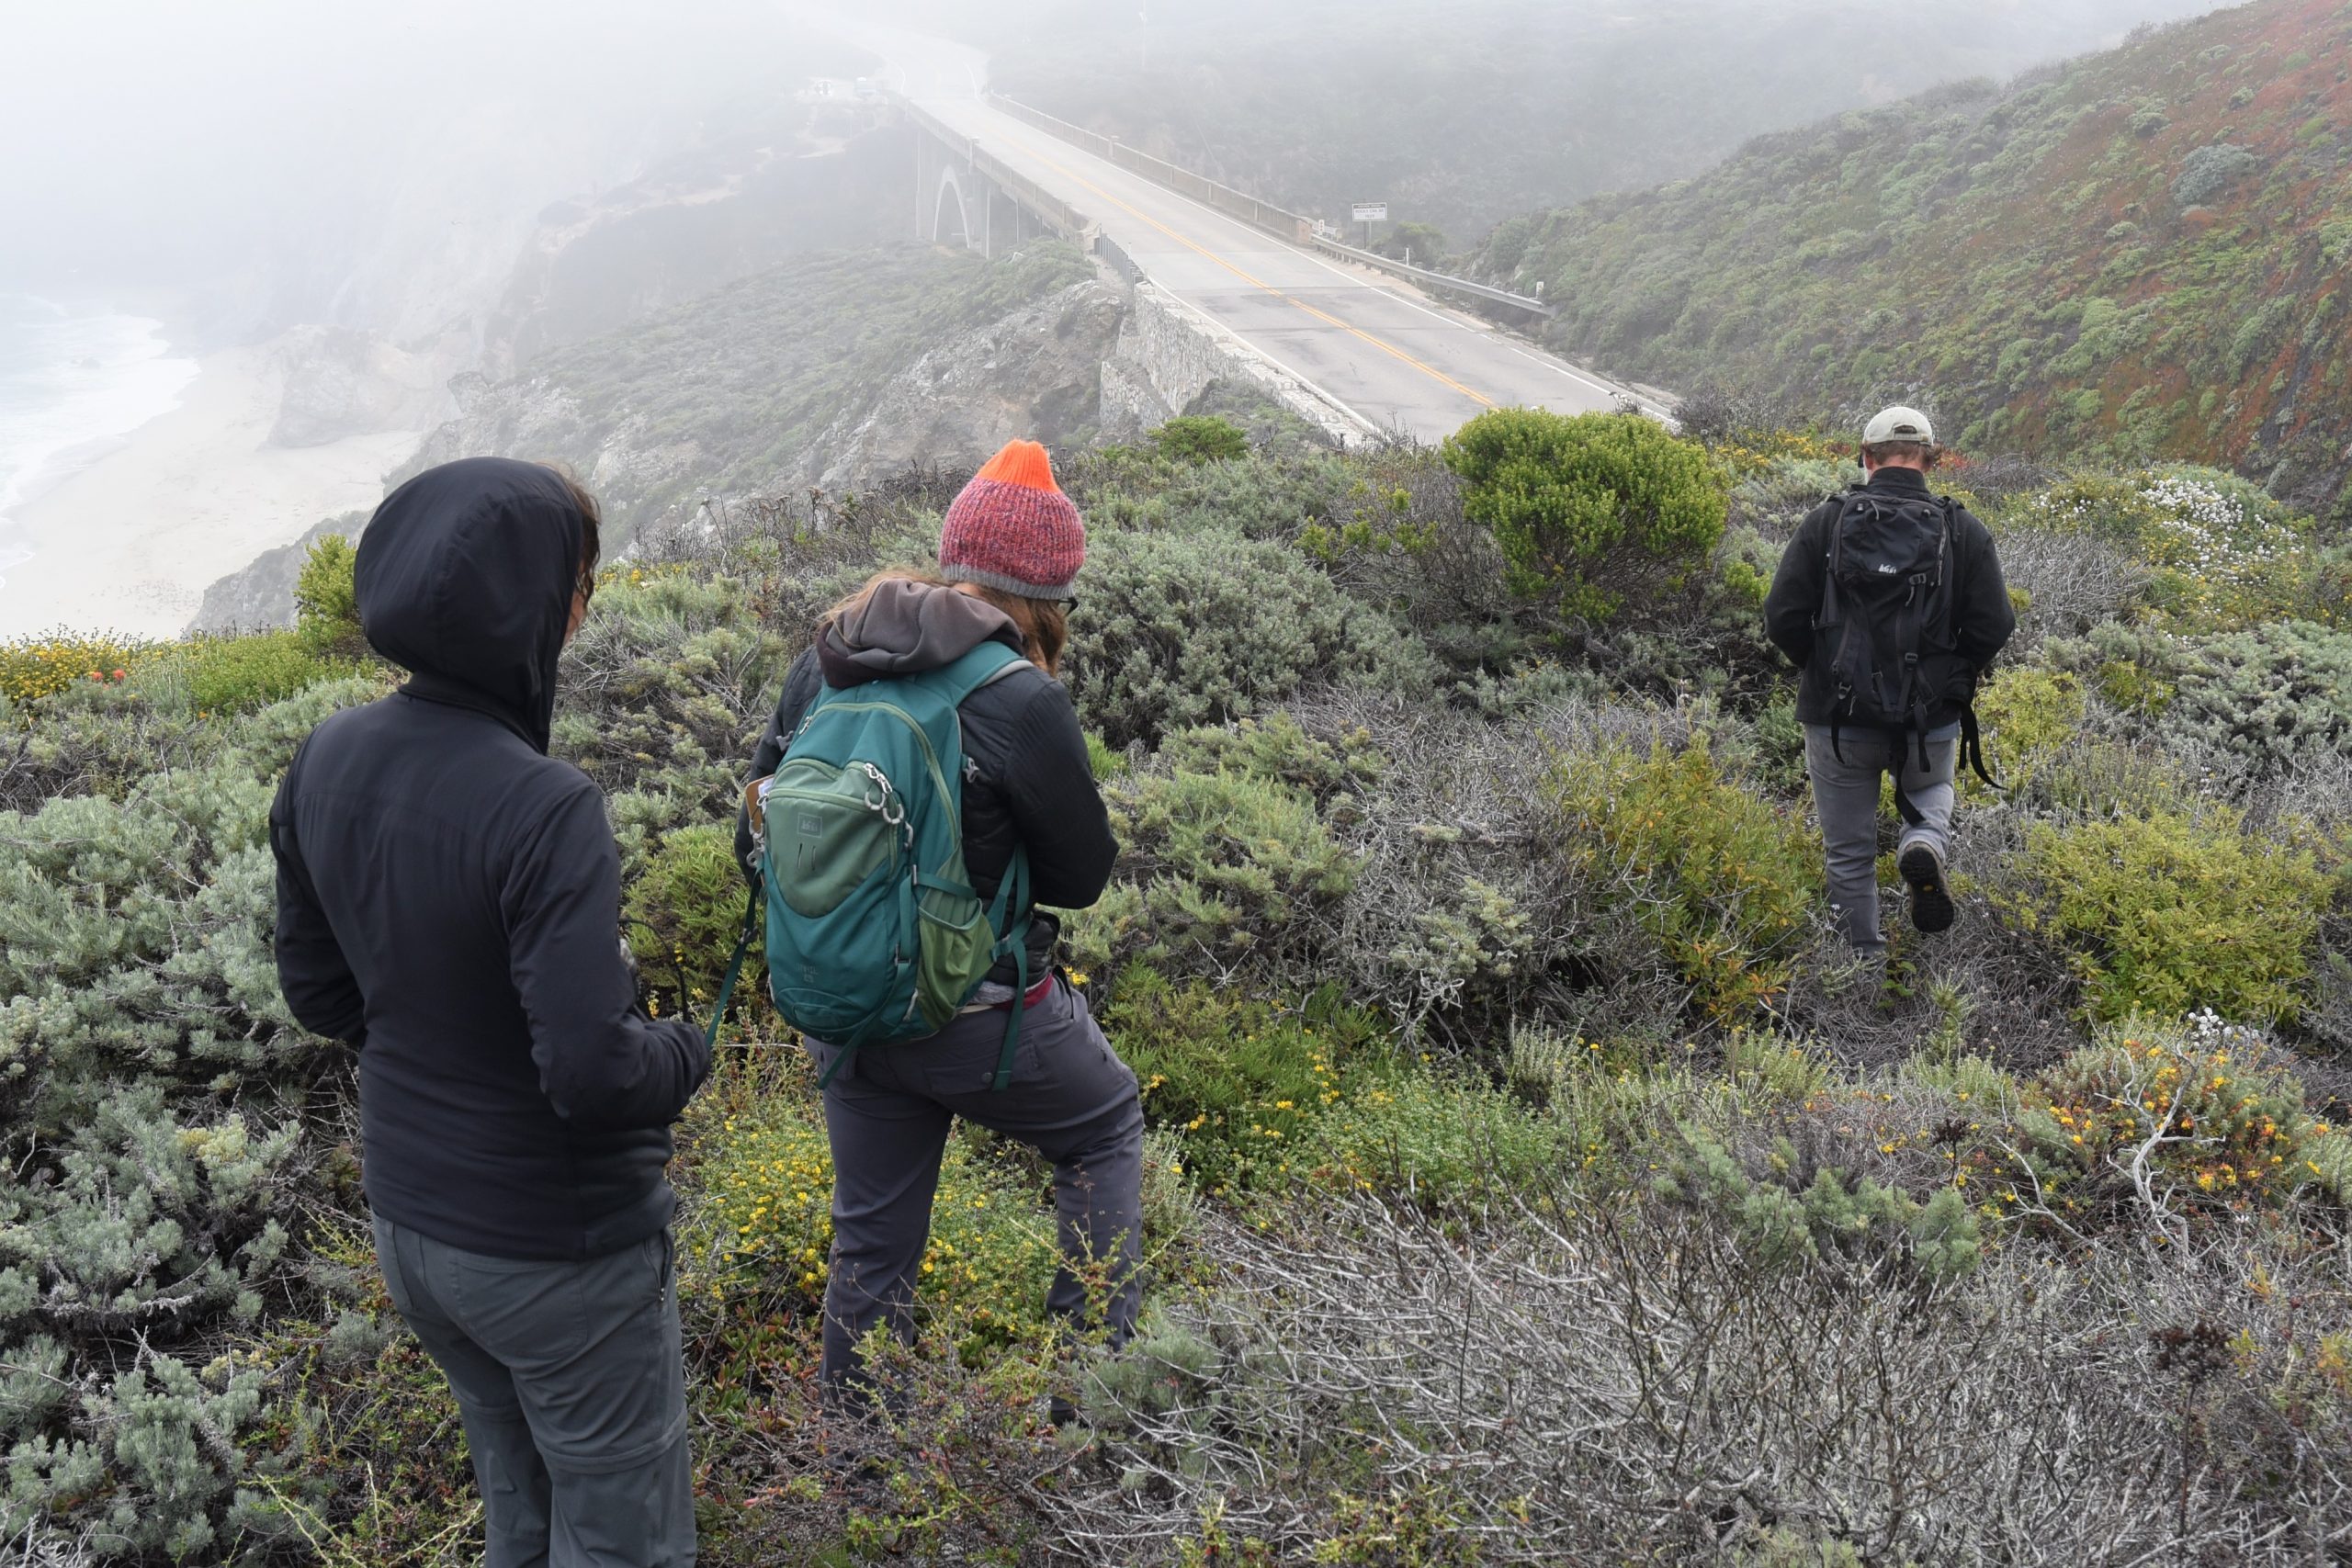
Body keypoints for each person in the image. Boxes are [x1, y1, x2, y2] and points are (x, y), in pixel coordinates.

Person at [271, 457, 709, 1568]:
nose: (581, 610)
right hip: (552, 1249)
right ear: (531, 601)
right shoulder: (542, 805)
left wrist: (444, 1057)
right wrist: (685, 1051)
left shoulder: (325, 756)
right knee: (623, 1540)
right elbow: (595, 1078)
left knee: (520, 1506)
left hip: (413, 1226)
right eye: (580, 584)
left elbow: (319, 994)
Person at [736, 439, 1136, 1404]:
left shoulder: (823, 663)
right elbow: (1081, 880)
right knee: (1103, 1128)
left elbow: (753, 835)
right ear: (1051, 591)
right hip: (982, 1019)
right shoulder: (1018, 695)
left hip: (845, 1010)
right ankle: (1092, 1400)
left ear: (951, 557)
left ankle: (862, 1472)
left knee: (870, 1239)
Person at [1763, 407, 2015, 953]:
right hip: (1929, 720)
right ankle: (1921, 841)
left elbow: (1781, 616)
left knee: (1848, 853)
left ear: (1866, 455)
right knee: (1932, 793)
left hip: (1838, 721)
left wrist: (1823, 669)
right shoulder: (1962, 529)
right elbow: (1996, 624)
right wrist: (1950, 679)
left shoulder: (1827, 522)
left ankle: (1861, 972)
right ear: (1930, 459)